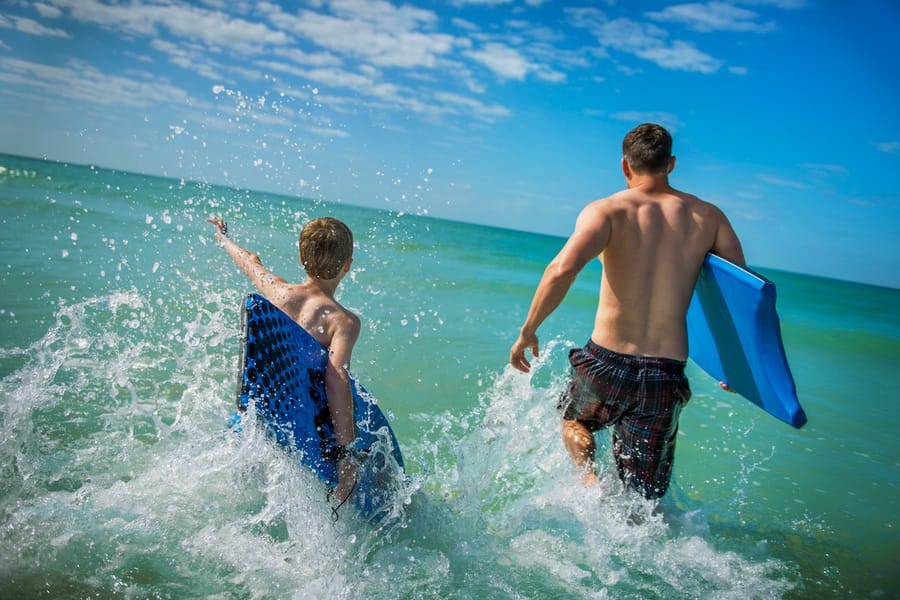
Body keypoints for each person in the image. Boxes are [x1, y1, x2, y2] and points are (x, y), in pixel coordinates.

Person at [509, 123, 745, 500]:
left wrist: (528, 330)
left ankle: (588, 480)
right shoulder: (710, 217)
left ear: (625, 166)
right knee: (644, 495)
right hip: (664, 376)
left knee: (574, 419)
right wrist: (736, 364)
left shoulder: (608, 210)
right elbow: (739, 297)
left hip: (606, 363)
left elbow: (562, 270)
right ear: (671, 163)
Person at [208, 215, 361, 505]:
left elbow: (251, 263)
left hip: (250, 422)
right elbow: (335, 379)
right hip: (295, 434)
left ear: (301, 257)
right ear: (347, 266)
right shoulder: (343, 322)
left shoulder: (279, 292)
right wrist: (345, 452)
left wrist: (224, 239)